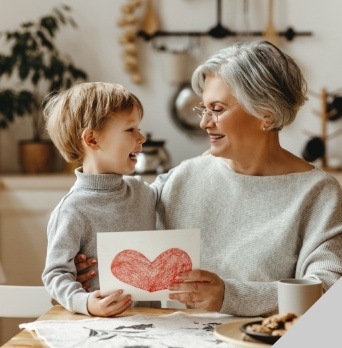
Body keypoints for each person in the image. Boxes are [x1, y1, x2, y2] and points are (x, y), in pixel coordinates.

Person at [75, 40, 342, 317]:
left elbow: (327, 291)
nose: (204, 123)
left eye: (217, 109)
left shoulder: (318, 193)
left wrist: (229, 295)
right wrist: (93, 268)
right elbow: (131, 246)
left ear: (266, 114)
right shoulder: (183, 178)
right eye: (203, 109)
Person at [42, 82, 157, 317]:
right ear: (92, 140)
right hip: (98, 330)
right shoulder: (72, 210)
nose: (142, 137)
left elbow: (178, 183)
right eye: (130, 130)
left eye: (139, 128)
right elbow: (55, 274)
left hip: (154, 324)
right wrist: (85, 303)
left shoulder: (143, 192)